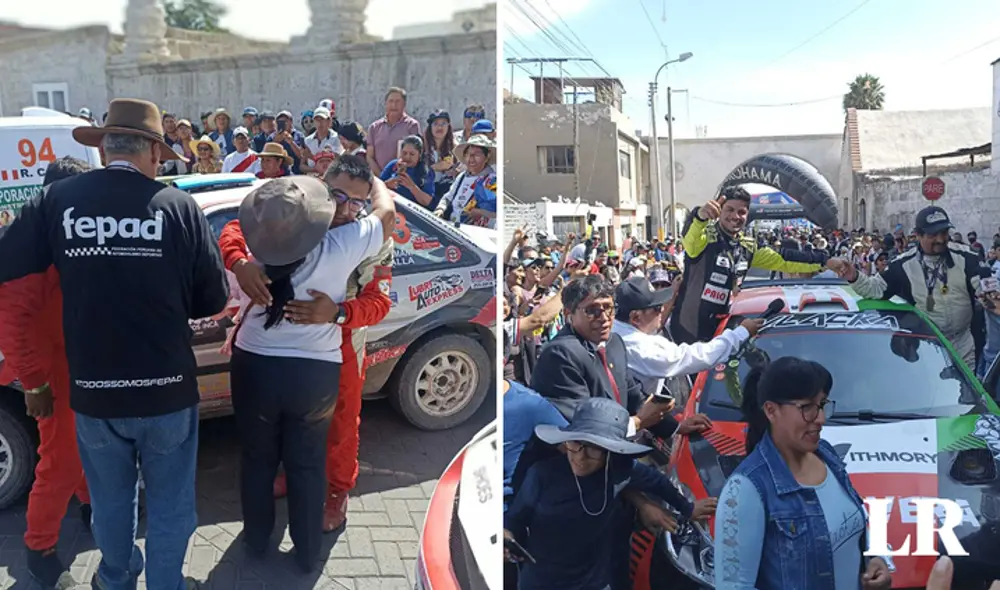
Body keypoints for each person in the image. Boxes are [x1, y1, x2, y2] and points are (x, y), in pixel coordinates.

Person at [0, 98, 228, 590]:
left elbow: (8, 274)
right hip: (167, 389)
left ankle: (115, 578)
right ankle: (166, 582)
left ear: (104, 149)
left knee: (110, 503)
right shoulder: (180, 207)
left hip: (94, 393)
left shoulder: (56, 201)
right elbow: (213, 298)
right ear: (151, 151)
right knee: (170, 506)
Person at [227, 169, 395, 572]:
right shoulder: (333, 234)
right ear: (318, 191)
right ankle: (305, 555)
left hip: (331, 346)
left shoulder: (346, 235)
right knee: (301, 460)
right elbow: (233, 228)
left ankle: (330, 498)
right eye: (337, 195)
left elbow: (379, 302)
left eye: (356, 201)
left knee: (323, 440)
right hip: (314, 363)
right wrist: (237, 262)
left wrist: (339, 313)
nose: (345, 208)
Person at [715, 357, 892, 590]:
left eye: (822, 404)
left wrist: (878, 559)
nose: (820, 418)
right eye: (807, 407)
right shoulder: (746, 489)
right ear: (771, 410)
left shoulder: (827, 454)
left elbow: (856, 523)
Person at [505, 398, 714, 590]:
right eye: (575, 443)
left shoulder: (621, 470)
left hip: (594, 582)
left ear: (611, 452)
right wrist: (507, 537)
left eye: (594, 449)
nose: (580, 456)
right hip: (542, 581)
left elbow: (657, 482)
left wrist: (689, 508)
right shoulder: (542, 474)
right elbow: (516, 519)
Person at [0, 157, 93, 587]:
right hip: (51, 368)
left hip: (75, 358)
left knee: (89, 444)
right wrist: (34, 382)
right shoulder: (27, 241)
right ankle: (40, 550)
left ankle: (90, 501)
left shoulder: (57, 230)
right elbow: (13, 320)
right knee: (61, 458)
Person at [828, 206, 990, 368]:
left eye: (944, 232)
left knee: (966, 392)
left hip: (964, 344)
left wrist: (989, 295)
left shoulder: (967, 257)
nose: (941, 239)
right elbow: (874, 289)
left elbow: (987, 288)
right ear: (918, 235)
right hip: (927, 346)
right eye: (933, 234)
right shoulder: (902, 264)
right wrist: (853, 275)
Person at [670, 187, 828, 344]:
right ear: (719, 211)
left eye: (741, 212)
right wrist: (699, 216)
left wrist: (825, 262)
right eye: (730, 210)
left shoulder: (747, 246)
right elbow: (690, 236)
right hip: (687, 335)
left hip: (722, 333)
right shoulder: (704, 239)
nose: (735, 216)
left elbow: (784, 259)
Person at [612, 276, 762, 408]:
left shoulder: (615, 330)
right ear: (636, 318)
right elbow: (697, 356)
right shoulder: (640, 347)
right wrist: (741, 334)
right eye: (657, 308)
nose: (662, 311)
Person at [433, 134, 496, 226]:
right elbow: (448, 197)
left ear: (487, 157)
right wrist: (440, 208)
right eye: (468, 154)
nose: (471, 159)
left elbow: (495, 212)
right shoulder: (462, 176)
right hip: (454, 226)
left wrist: (480, 212)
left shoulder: (491, 181)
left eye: (477, 155)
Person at [366, 86, 421, 172]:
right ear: (385, 103)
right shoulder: (374, 127)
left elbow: (415, 155)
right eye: (391, 101)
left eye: (398, 102)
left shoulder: (412, 126)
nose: (394, 105)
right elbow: (369, 157)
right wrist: (382, 177)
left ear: (404, 104)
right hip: (378, 179)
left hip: (403, 177)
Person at [380, 135, 436, 209]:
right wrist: (387, 184)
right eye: (404, 153)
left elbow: (427, 201)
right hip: (390, 206)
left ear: (419, 154)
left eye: (412, 154)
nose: (407, 157)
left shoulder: (426, 171)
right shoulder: (393, 165)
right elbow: (376, 187)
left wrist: (411, 186)